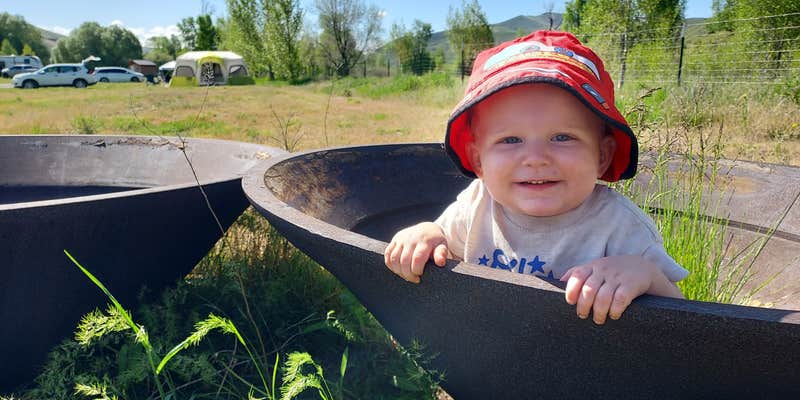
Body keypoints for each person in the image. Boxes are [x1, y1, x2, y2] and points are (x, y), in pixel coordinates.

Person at [383, 30, 688, 325]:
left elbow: (686, 321)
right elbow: (443, 242)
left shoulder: (621, 227)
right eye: (511, 140)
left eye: (562, 137)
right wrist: (426, 234)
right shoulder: (477, 204)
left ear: (603, 155)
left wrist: (647, 275)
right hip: (489, 354)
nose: (536, 158)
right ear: (478, 160)